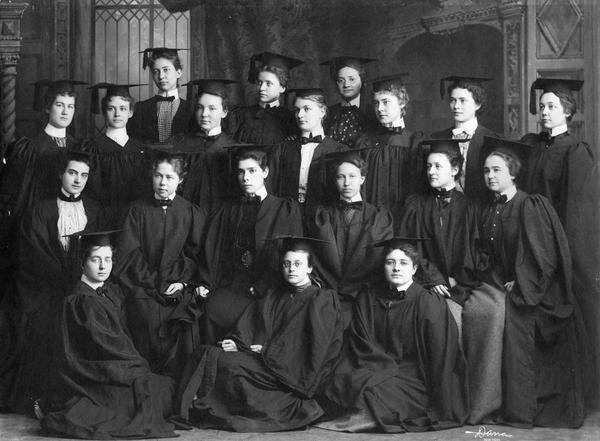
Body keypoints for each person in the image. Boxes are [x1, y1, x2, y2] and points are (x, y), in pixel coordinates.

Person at [173, 236, 344, 432]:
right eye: (287, 264)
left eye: (298, 264)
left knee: (229, 365)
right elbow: (253, 324)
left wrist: (266, 351)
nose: (292, 269)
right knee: (206, 351)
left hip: (288, 372)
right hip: (263, 358)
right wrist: (239, 343)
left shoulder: (321, 299)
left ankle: (200, 404)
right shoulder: (276, 293)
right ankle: (187, 408)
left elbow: (315, 347)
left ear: (310, 268)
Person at [471, 137, 584, 427]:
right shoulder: (487, 209)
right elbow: (484, 255)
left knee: (517, 321)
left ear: (513, 172)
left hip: (536, 290)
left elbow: (542, 257)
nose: (490, 176)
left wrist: (520, 285)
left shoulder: (530, 205)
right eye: (486, 171)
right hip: (503, 285)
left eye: (496, 170)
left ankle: (522, 411)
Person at [317, 238, 468, 433]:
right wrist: (376, 369)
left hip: (413, 379)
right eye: (390, 262)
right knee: (340, 379)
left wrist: (439, 401)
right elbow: (360, 342)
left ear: (414, 269)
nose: (396, 268)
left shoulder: (428, 303)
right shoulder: (368, 298)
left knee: (369, 392)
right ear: (384, 267)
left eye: (403, 263)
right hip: (374, 366)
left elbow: (441, 357)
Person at [41, 231, 177, 439]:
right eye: (95, 260)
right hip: (93, 374)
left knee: (160, 389)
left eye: (108, 259)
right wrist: (136, 366)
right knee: (148, 395)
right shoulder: (80, 301)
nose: (103, 266)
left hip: (115, 367)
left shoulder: (110, 291)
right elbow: (103, 346)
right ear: (82, 263)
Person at [522, 78, 599, 401]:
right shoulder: (532, 146)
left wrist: (561, 252)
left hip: (562, 246)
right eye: (542, 106)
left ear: (567, 111)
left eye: (552, 106)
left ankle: (584, 391)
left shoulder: (575, 151)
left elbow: (578, 210)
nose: (545, 112)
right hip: (531, 241)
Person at [8, 150, 103, 414]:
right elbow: (33, 254)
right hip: (47, 289)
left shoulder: (94, 210)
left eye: (84, 175)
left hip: (84, 288)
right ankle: (44, 397)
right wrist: (64, 281)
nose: (78, 180)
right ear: (61, 173)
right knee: (47, 323)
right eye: (72, 173)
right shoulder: (41, 210)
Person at [114, 153, 206, 378]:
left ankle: (177, 385)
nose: (163, 183)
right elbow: (129, 253)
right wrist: (152, 283)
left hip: (177, 285)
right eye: (158, 176)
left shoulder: (190, 212)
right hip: (143, 284)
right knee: (144, 314)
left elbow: (194, 253)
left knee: (184, 319)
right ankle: (148, 382)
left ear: (181, 180)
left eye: (170, 177)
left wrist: (182, 281)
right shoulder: (136, 210)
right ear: (151, 177)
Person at [199, 145, 303, 344]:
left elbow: (291, 255)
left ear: (265, 172)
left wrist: (263, 286)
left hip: (269, 290)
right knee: (210, 307)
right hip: (232, 285)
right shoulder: (227, 210)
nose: (245, 178)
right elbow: (214, 252)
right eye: (241, 172)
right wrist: (206, 282)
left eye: (252, 171)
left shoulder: (285, 209)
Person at [397, 139, 480, 333]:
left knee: (456, 322)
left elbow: (471, 252)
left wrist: (455, 279)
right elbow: (407, 247)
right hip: (422, 282)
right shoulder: (415, 205)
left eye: (437, 166)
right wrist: (432, 278)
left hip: (456, 285)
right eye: (428, 166)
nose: (431, 172)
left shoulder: (468, 207)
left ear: (454, 169)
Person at [307, 150, 393, 327]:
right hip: (327, 293)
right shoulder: (322, 216)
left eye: (352, 176)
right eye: (341, 177)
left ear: (362, 179)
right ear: (335, 180)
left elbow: (380, 261)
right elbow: (315, 258)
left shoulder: (378, 217)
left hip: (365, 295)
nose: (347, 182)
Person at [270, 88, 347, 218]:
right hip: (287, 217)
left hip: (324, 219)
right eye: (297, 110)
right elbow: (271, 187)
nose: (299, 115)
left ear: (322, 112)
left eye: (306, 109)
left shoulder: (339, 150)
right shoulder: (282, 149)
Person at [82, 83, 149, 227]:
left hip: (135, 220)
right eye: (111, 109)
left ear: (130, 112)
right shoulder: (92, 149)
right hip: (102, 220)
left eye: (123, 109)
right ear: (104, 112)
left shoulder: (140, 150)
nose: (117, 114)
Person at [354, 74, 424, 211]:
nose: (379, 108)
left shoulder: (413, 141)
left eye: (385, 102)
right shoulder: (365, 142)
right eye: (376, 103)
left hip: (403, 213)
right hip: (370, 216)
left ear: (402, 102)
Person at [431, 76, 500, 202]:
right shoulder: (438, 138)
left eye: (462, 100)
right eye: (453, 100)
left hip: (479, 210)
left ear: (477, 104)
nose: (456, 106)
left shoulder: (491, 139)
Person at [172, 78, 238, 210]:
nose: (204, 114)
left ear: (224, 112)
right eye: (200, 108)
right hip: (185, 214)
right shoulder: (181, 144)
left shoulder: (233, 148)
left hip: (219, 217)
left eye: (212, 108)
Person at [226, 51, 302, 144]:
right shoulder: (241, 115)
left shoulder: (291, 119)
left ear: (282, 88)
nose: (262, 88)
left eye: (268, 83)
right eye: (259, 83)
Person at [127, 47, 191, 143]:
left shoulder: (191, 109)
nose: (161, 76)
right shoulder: (140, 109)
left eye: (166, 70)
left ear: (178, 73)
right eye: (156, 71)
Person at [320, 56, 377, 146]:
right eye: (341, 80)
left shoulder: (373, 113)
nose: (346, 84)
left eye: (352, 79)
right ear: (336, 83)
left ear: (362, 80)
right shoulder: (327, 114)